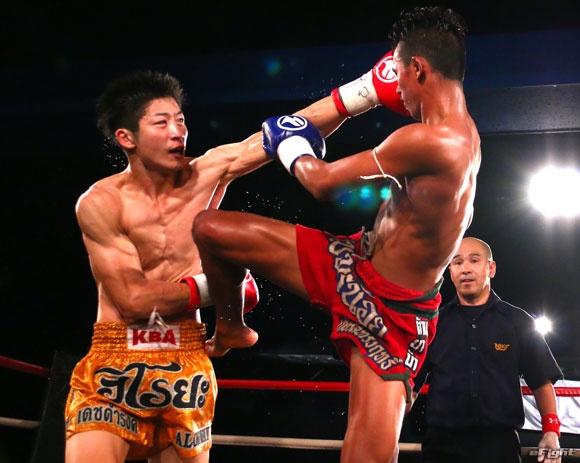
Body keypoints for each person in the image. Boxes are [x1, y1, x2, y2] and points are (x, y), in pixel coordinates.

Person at [193, 6, 479, 463]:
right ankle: (231, 326)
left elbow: (321, 182)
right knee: (210, 228)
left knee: (365, 458)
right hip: (353, 262)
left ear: (418, 68)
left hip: (394, 315)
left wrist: (289, 143)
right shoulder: (458, 134)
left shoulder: (429, 141)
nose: (396, 88)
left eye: (399, 74)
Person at [63, 70, 347, 463]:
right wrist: (221, 286)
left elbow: (285, 131)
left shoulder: (206, 172)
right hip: (116, 357)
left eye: (180, 120)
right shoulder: (101, 202)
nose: (177, 132)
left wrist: (366, 91)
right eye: (161, 122)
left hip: (186, 358)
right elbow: (133, 301)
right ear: (127, 138)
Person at [412, 237, 564, 463]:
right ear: (450, 271)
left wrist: (551, 432)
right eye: (457, 262)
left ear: (491, 268)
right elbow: (410, 385)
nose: (465, 269)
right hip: (441, 446)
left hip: (499, 446)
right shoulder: (433, 323)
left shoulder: (518, 321)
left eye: (474, 260)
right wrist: (387, 428)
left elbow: (541, 381)